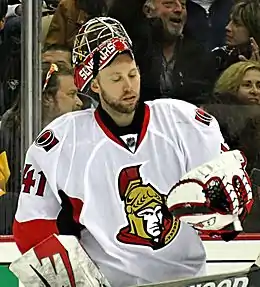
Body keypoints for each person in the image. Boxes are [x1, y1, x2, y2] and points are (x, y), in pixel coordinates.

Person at [13, 17, 251, 287]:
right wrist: (70, 279)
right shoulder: (60, 141)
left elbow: (229, 207)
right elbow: (31, 226)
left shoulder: (184, 122)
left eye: (132, 74)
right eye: (115, 78)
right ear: (94, 85)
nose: (128, 86)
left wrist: (226, 214)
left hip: (186, 280)